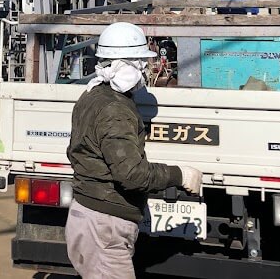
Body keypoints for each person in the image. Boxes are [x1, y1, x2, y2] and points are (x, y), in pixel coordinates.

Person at [65, 22, 202, 278]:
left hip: (90, 216)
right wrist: (179, 175)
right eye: (141, 62)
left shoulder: (92, 96)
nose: (145, 69)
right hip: (104, 225)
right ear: (127, 64)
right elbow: (131, 175)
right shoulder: (114, 110)